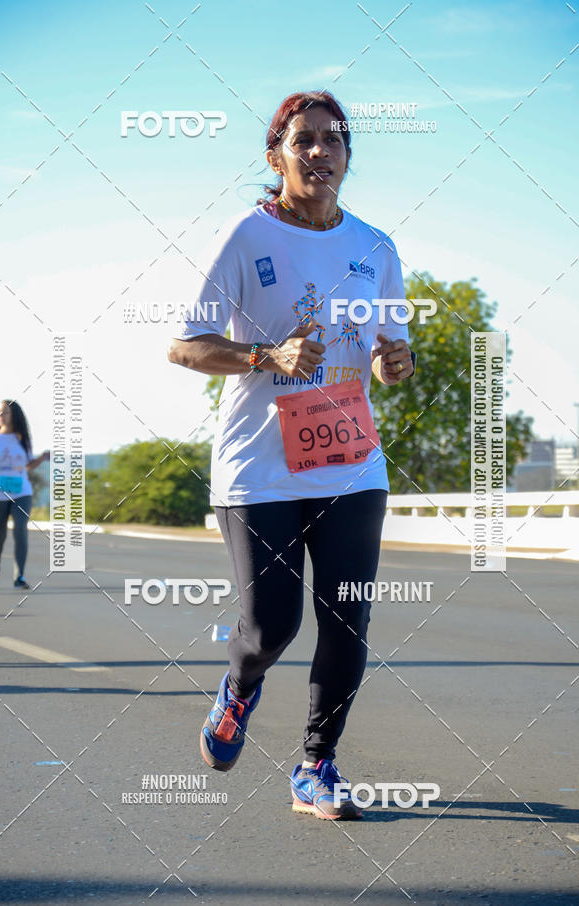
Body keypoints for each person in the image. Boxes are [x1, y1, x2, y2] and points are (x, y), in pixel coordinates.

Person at [168, 90, 415, 820]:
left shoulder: (376, 248)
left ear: (348, 157)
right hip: (258, 466)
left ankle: (317, 764)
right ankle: (240, 686)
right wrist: (265, 354)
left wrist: (392, 364)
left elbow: (380, 354)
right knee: (272, 627)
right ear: (276, 154)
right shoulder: (246, 236)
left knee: (347, 618)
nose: (319, 152)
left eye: (332, 140)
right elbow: (185, 345)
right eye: (302, 140)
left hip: (350, 460)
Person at [0, 400, 49, 589]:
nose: (0, 416)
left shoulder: (22, 439)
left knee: (20, 530)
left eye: (5, 412)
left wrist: (41, 458)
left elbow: (26, 466)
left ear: (14, 416)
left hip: (21, 492)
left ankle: (20, 576)